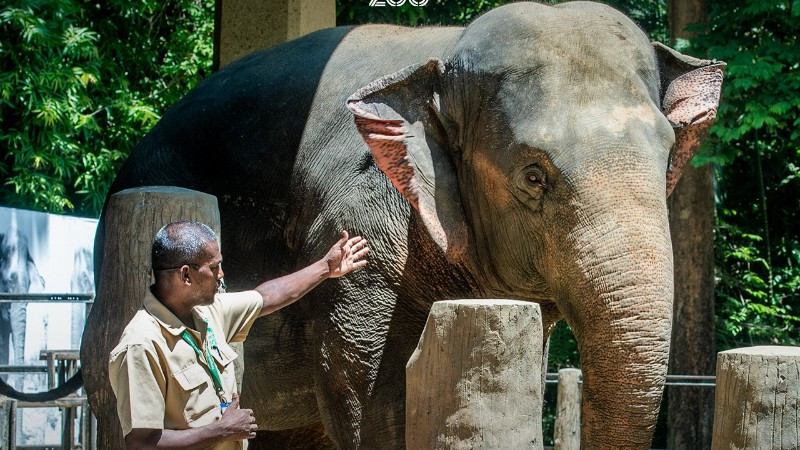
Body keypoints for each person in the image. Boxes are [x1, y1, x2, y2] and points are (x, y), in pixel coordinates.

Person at [108, 221, 368, 449]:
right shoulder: (141, 345)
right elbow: (141, 444)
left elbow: (267, 297)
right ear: (186, 275)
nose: (221, 275)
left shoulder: (207, 312)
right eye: (214, 267)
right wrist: (221, 431)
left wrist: (326, 267)